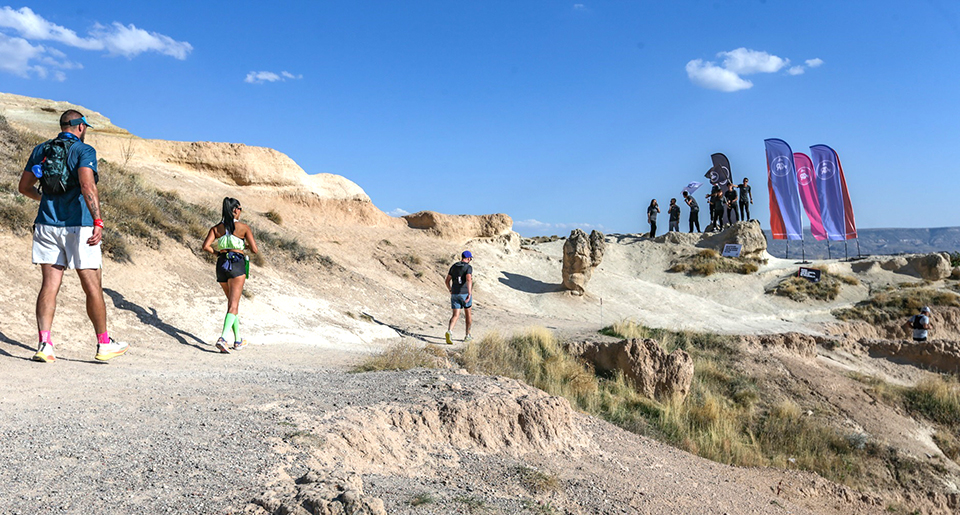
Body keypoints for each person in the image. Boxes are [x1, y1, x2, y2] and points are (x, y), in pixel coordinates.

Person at [18, 110, 129, 363]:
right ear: (79, 127)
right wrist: (98, 221)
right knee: (92, 285)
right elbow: (88, 186)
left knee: (49, 285)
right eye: (85, 126)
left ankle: (44, 344)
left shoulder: (40, 150)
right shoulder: (84, 151)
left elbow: (24, 187)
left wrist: (44, 199)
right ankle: (103, 344)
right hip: (79, 226)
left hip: (46, 225)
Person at [202, 197, 259, 353]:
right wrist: (244, 245)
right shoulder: (243, 228)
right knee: (233, 305)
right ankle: (223, 338)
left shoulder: (216, 228)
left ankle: (238, 340)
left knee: (232, 305)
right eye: (240, 208)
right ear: (235, 210)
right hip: (236, 264)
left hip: (221, 265)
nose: (241, 211)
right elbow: (255, 250)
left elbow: (205, 246)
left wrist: (218, 253)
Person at [445, 251, 473, 345]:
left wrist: (450, 289)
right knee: (468, 314)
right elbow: (468, 279)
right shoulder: (468, 267)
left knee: (455, 315)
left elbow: (447, 280)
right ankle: (467, 335)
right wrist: (469, 293)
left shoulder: (454, 266)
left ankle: (449, 331)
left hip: (455, 293)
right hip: (464, 293)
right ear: (468, 258)